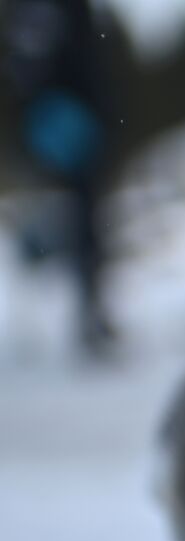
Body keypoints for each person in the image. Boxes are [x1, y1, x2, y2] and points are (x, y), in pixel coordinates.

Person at [3, 0, 116, 357]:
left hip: (74, 118)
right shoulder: (45, 10)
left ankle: (89, 309)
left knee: (86, 219)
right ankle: (62, 314)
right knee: (65, 216)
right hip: (58, 120)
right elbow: (31, 59)